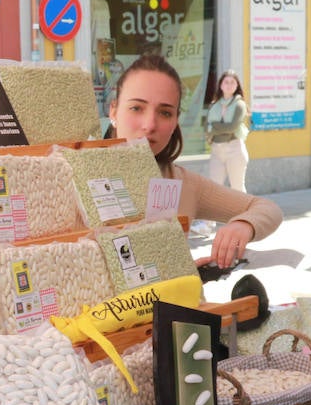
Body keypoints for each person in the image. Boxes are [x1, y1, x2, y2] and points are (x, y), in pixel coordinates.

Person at [107, 55, 283, 270]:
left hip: (179, 303)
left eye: (164, 113)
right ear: (113, 111)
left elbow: (268, 209)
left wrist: (244, 225)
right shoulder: (71, 177)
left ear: (175, 122)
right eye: (136, 108)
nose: (149, 124)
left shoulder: (183, 183)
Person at [202, 68, 251, 191]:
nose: (229, 85)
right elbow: (206, 128)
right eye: (226, 82)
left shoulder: (240, 105)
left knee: (237, 188)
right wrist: (215, 128)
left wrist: (214, 126)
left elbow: (231, 128)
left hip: (234, 149)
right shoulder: (214, 105)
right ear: (221, 85)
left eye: (232, 82)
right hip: (216, 150)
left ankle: (242, 211)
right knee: (214, 187)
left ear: (237, 86)